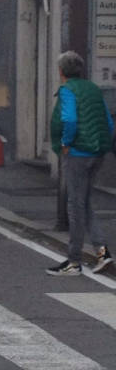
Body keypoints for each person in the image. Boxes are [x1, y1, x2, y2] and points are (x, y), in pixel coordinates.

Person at [47, 51, 114, 276]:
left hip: (78, 153)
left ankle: (74, 262)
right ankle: (102, 252)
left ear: (61, 71)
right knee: (84, 203)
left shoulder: (67, 90)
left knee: (75, 206)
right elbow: (108, 121)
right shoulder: (93, 89)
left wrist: (65, 143)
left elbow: (70, 119)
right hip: (98, 152)